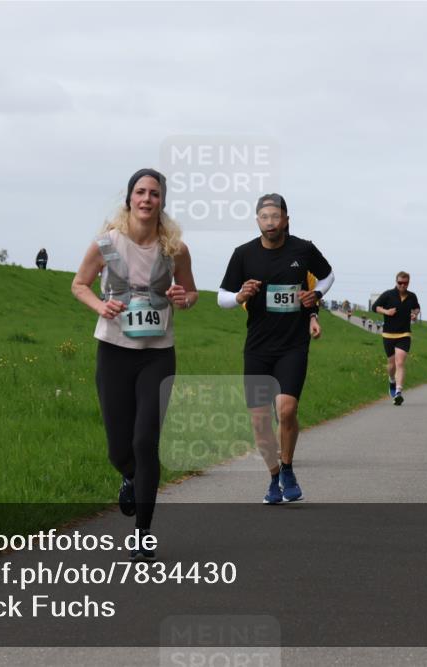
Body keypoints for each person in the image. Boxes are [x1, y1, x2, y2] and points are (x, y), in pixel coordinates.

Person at [71, 168, 198, 560]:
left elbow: (192, 292)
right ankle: (130, 477)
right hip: (114, 350)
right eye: (140, 192)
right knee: (119, 449)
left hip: (158, 354)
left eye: (154, 194)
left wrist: (183, 298)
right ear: (129, 198)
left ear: (162, 201)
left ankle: (143, 534)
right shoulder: (107, 243)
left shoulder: (174, 248)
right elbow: (79, 285)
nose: (146, 199)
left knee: (146, 443)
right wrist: (100, 304)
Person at [218, 193, 334, 504]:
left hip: (293, 345)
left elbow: (327, 275)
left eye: (276, 216)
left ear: (286, 219)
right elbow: (222, 297)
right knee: (259, 418)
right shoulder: (243, 254)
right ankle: (272, 478)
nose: (271, 222)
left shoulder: (303, 249)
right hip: (257, 348)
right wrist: (240, 296)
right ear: (258, 221)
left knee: (286, 408)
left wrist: (316, 296)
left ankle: (287, 468)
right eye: (264, 217)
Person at [373, 271, 421, 405]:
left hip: (404, 334)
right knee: (391, 364)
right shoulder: (388, 294)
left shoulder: (412, 296)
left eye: (405, 283)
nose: (402, 285)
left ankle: (399, 392)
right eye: (400, 283)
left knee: (400, 362)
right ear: (396, 282)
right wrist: (386, 311)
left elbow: (417, 308)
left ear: (408, 283)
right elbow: (374, 307)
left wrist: (415, 314)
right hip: (388, 334)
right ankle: (391, 381)